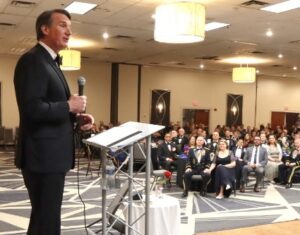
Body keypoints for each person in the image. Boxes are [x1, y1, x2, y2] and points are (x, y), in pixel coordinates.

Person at [13, 9, 94, 235]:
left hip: (50, 156)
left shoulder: (50, 62)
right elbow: (32, 109)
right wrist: (69, 106)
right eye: (62, 25)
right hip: (42, 157)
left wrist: (77, 118)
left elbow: (50, 108)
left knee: (43, 219)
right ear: (44, 29)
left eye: (69, 26)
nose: (69, 31)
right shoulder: (32, 60)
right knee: (47, 222)